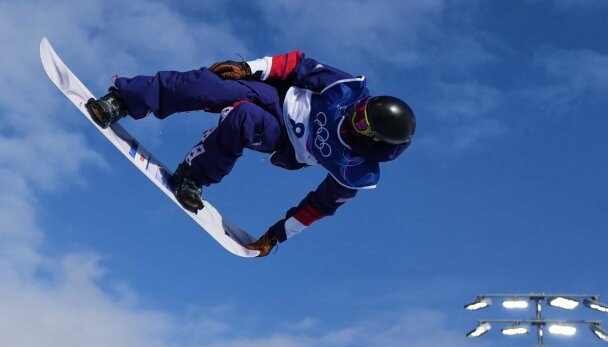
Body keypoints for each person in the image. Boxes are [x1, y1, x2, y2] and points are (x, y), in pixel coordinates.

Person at [84, 51, 414, 257]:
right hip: (277, 96)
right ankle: (123, 101)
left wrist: (277, 235)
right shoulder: (347, 90)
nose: (354, 115)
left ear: (373, 139)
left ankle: (193, 177)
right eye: (361, 110)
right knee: (207, 85)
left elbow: (321, 205)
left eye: (362, 120)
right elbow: (298, 65)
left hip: (286, 142)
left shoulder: (357, 169)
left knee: (242, 119)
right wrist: (248, 68)